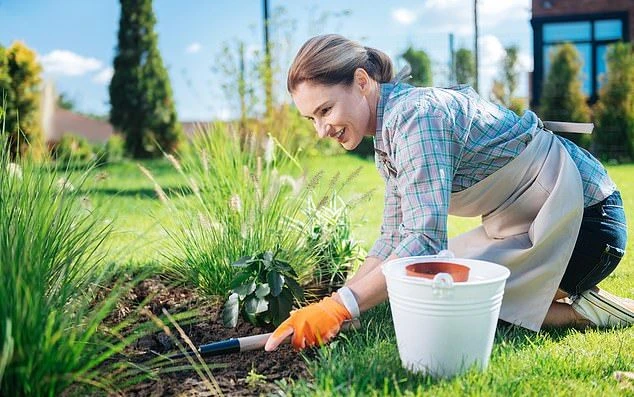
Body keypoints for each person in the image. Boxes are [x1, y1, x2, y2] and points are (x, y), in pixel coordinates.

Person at [265, 34, 633, 352]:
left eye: (325, 110)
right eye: (311, 118)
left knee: (461, 307)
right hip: (537, 223)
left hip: (587, 221)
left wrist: (343, 306)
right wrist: (337, 304)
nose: (321, 130)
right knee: (429, 289)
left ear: (362, 82)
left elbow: (425, 241)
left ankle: (597, 314)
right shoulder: (387, 140)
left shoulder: (415, 117)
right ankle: (584, 305)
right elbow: (393, 238)